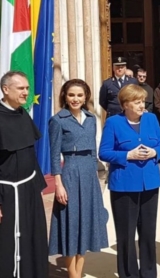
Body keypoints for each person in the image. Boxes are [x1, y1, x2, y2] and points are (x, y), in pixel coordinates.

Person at [99, 84, 160, 278]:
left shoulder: (151, 119)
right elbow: (103, 152)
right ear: (125, 104)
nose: (141, 105)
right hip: (124, 185)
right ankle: (128, 274)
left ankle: (148, 273)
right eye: (137, 102)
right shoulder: (113, 123)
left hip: (150, 183)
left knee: (148, 233)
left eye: (142, 101)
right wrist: (127, 155)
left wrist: (155, 152)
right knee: (126, 235)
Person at [48, 79, 108, 278]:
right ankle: (72, 275)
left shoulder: (91, 119)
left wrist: (97, 179)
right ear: (65, 96)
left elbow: (94, 151)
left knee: (86, 224)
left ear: (86, 97)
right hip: (70, 174)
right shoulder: (58, 120)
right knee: (71, 223)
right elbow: (55, 155)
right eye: (71, 95)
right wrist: (59, 184)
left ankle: (79, 273)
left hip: (89, 174)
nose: (75, 99)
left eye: (79, 95)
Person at [0, 71, 48, 277]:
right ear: (5, 89)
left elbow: (30, 153)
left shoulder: (22, 113)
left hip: (29, 189)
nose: (26, 92)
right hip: (6, 193)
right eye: (21, 88)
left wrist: (37, 187)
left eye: (27, 88)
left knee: (32, 239)